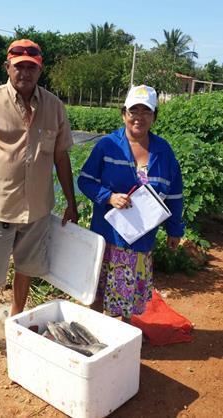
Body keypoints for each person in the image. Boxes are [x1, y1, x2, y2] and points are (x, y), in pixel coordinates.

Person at [0, 39, 78, 368]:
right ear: (7, 67)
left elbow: (61, 156)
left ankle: (16, 321)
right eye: (18, 64)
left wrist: (71, 202)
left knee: (26, 269)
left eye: (31, 66)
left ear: (40, 69)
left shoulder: (54, 106)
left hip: (37, 210)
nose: (24, 71)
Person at [78, 85, 184, 323]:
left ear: (154, 116)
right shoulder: (107, 145)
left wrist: (174, 229)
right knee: (97, 292)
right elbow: (85, 181)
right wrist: (108, 196)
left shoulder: (164, 152)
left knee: (125, 300)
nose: (139, 117)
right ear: (123, 114)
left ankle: (119, 341)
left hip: (140, 240)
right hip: (108, 237)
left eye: (146, 111)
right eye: (133, 110)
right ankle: (93, 334)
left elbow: (175, 193)